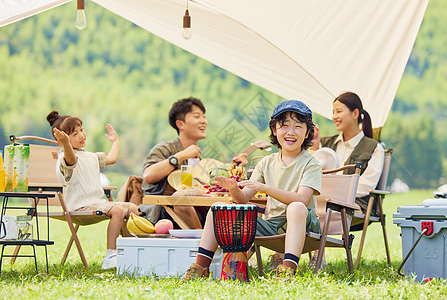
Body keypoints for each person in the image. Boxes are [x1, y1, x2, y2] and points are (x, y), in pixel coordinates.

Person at [183, 100, 322, 279]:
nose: (291, 132)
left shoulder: (311, 162)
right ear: (274, 130)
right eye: (284, 126)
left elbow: (302, 199)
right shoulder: (266, 162)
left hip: (305, 223)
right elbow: (242, 199)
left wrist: (264, 187)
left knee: (296, 207)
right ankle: (199, 269)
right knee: (217, 209)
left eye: (298, 126)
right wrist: (234, 189)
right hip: (273, 225)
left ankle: (287, 271)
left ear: (308, 132)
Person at [46, 110, 142, 270]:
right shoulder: (64, 158)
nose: (81, 135)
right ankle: (111, 256)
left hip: (97, 203)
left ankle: (130, 253)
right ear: (63, 140)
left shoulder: (90, 156)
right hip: (79, 206)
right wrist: (66, 145)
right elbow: (71, 160)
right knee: (117, 211)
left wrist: (115, 141)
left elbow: (111, 159)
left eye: (81, 130)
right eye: (74, 134)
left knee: (132, 208)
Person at [142, 97, 247, 229]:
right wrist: (183, 154)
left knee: (230, 205)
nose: (204, 121)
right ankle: (205, 243)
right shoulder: (164, 149)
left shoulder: (201, 161)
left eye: (204, 117)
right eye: (197, 116)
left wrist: (236, 168)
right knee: (181, 198)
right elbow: (149, 175)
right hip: (165, 214)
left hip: (200, 211)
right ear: (180, 124)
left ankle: (226, 244)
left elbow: (211, 188)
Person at [309, 91, 384, 268]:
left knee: (321, 207)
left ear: (355, 113)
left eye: (339, 111)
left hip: (356, 203)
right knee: (300, 204)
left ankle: (318, 258)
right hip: (323, 200)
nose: (334, 116)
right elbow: (309, 171)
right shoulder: (325, 144)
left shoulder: (373, 147)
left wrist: (338, 194)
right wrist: (313, 147)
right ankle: (282, 254)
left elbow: (367, 184)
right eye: (333, 112)